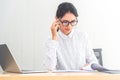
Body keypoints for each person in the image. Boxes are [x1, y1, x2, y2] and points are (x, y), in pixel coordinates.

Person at [44, 2, 98, 71]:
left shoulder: (82, 36)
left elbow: (94, 62)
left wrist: (90, 66)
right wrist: (54, 38)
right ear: (57, 19)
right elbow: (49, 68)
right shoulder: (51, 40)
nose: (69, 26)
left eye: (73, 21)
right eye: (65, 22)